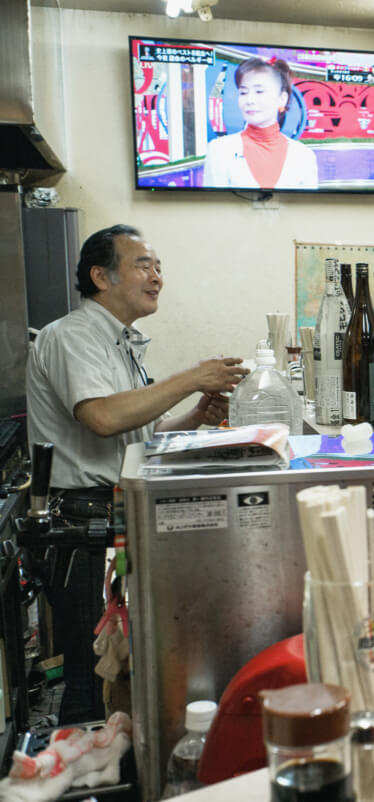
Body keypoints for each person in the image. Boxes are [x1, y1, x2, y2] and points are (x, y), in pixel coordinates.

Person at [26, 224, 248, 722]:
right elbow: (102, 418)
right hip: (80, 523)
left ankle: (114, 752)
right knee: (89, 666)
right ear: (100, 277)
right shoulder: (73, 336)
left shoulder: (119, 340)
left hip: (113, 509)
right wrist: (191, 376)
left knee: (116, 659)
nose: (157, 277)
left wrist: (191, 417)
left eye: (159, 266)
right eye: (143, 265)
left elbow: (133, 428)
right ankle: (84, 772)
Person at [203, 57, 318, 190]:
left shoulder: (303, 156)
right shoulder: (220, 150)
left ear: (282, 99)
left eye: (259, 91)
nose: (249, 100)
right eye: (243, 92)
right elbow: (213, 207)